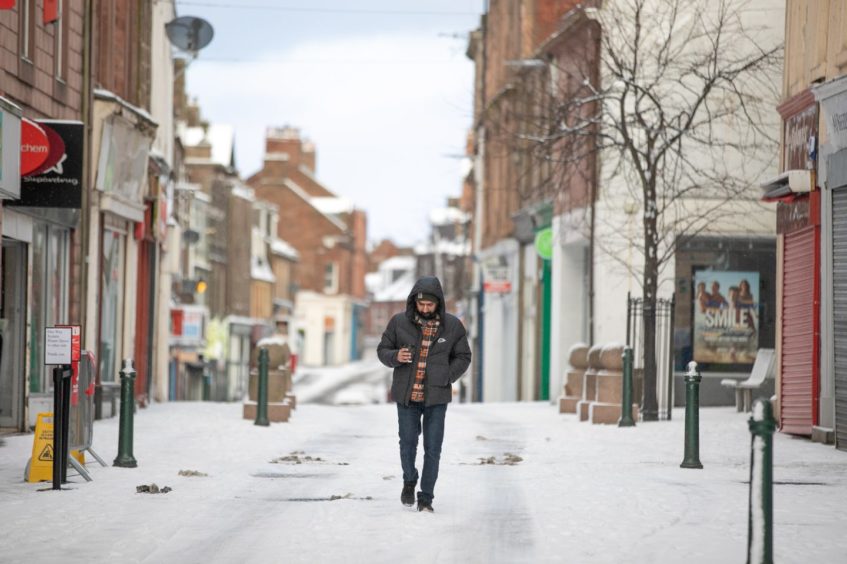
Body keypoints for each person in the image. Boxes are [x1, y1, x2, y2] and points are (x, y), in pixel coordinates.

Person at [377, 276, 472, 513]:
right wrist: (395, 357)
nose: (426, 309)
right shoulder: (398, 323)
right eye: (422, 305)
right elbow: (382, 350)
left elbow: (463, 356)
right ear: (415, 302)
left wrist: (447, 376)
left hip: (436, 398)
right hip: (406, 396)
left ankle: (426, 498)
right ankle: (409, 479)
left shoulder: (452, 326)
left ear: (438, 303)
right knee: (407, 444)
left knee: (433, 448)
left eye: (430, 305)